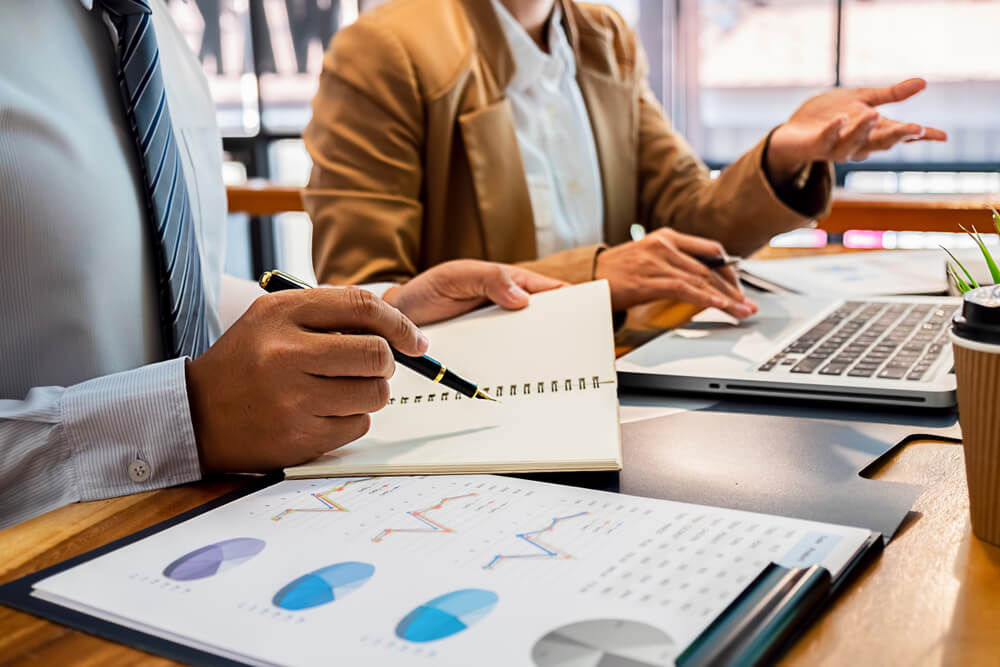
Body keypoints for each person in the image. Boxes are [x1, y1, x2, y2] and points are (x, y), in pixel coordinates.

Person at [0, 0, 561, 530]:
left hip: (212, 523)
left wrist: (374, 313)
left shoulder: (158, 32)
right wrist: (187, 416)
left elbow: (164, 283)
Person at [303, 0, 946, 317]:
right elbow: (365, 295)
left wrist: (783, 153)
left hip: (613, 368)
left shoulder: (603, 36)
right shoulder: (385, 49)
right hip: (480, 399)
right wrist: (597, 273)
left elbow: (693, 217)